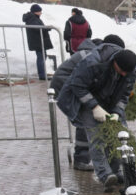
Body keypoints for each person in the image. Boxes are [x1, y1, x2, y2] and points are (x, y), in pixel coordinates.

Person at [56, 45, 136, 192]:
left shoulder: (131, 72)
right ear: (115, 62)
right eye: (121, 71)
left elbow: (125, 94)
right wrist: (94, 107)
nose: (124, 74)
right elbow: (77, 85)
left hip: (110, 102)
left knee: (118, 136)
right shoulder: (93, 63)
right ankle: (104, 175)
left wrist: (117, 112)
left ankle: (115, 171)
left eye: (127, 72)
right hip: (87, 100)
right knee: (97, 138)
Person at [51, 34, 125, 170]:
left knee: (90, 115)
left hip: (75, 85)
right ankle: (81, 159)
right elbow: (83, 84)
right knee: (86, 119)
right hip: (65, 86)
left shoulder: (101, 54)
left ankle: (86, 157)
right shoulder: (92, 57)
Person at [22, 3, 52, 80]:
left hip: (38, 40)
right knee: (41, 57)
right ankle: (42, 75)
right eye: (39, 11)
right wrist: (47, 28)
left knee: (42, 56)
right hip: (38, 41)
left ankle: (42, 74)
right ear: (35, 11)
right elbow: (37, 28)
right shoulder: (33, 18)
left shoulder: (33, 18)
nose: (41, 13)